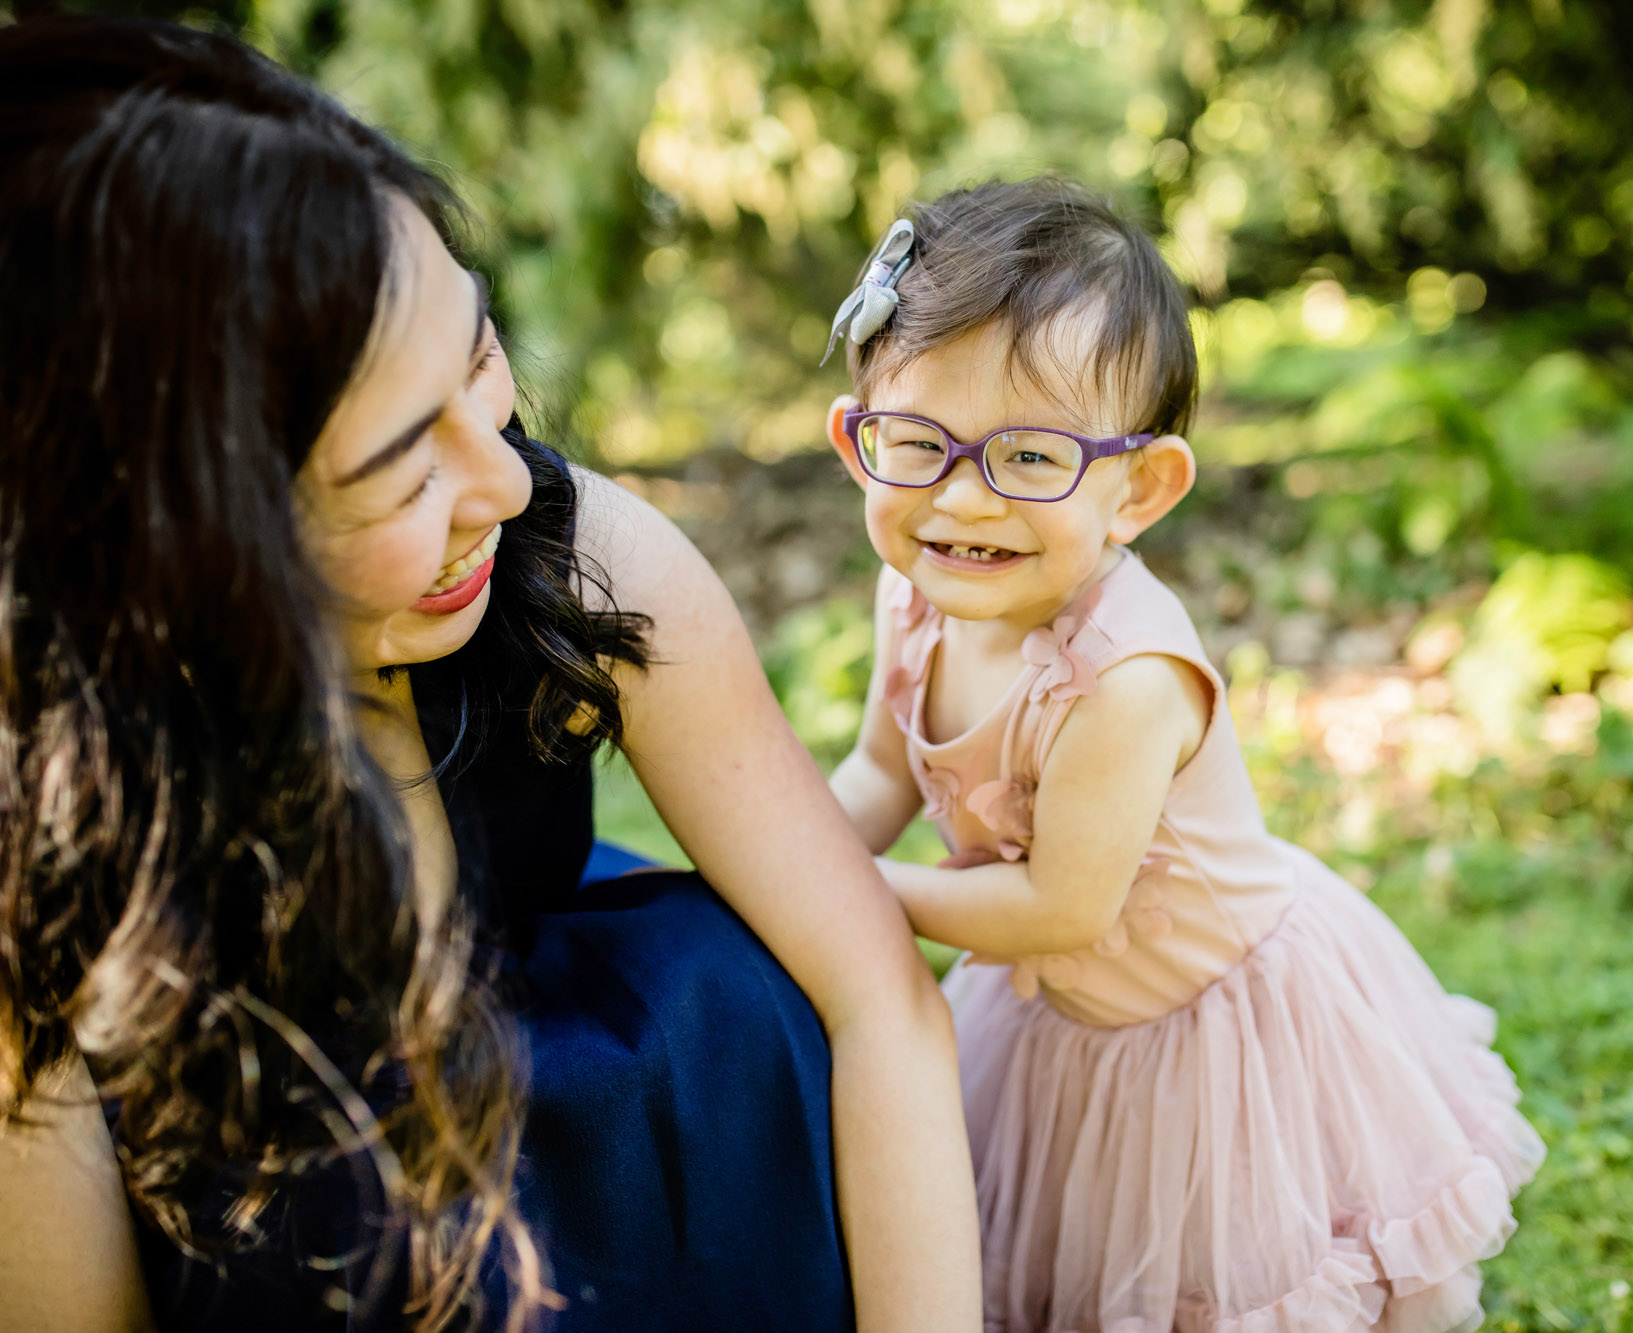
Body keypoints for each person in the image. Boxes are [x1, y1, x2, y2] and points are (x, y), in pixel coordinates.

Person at [0, 16, 979, 1332]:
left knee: (735, 995)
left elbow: (881, 1007)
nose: (507, 479)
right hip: (330, 1261)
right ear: (180, 537)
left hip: (625, 1181)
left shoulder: (573, 555)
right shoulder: (53, 835)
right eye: (403, 466)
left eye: (480, 356)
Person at [823, 179, 1547, 1332]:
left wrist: (841, 891)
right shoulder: (910, 602)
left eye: (1027, 457)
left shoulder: (1124, 678)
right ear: (858, 446)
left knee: (1233, 1281)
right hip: (1060, 1020)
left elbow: (1060, 905)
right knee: (1056, 1249)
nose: (964, 497)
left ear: (1139, 488)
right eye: (918, 444)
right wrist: (784, 850)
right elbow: (875, 771)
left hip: (1217, 1021)